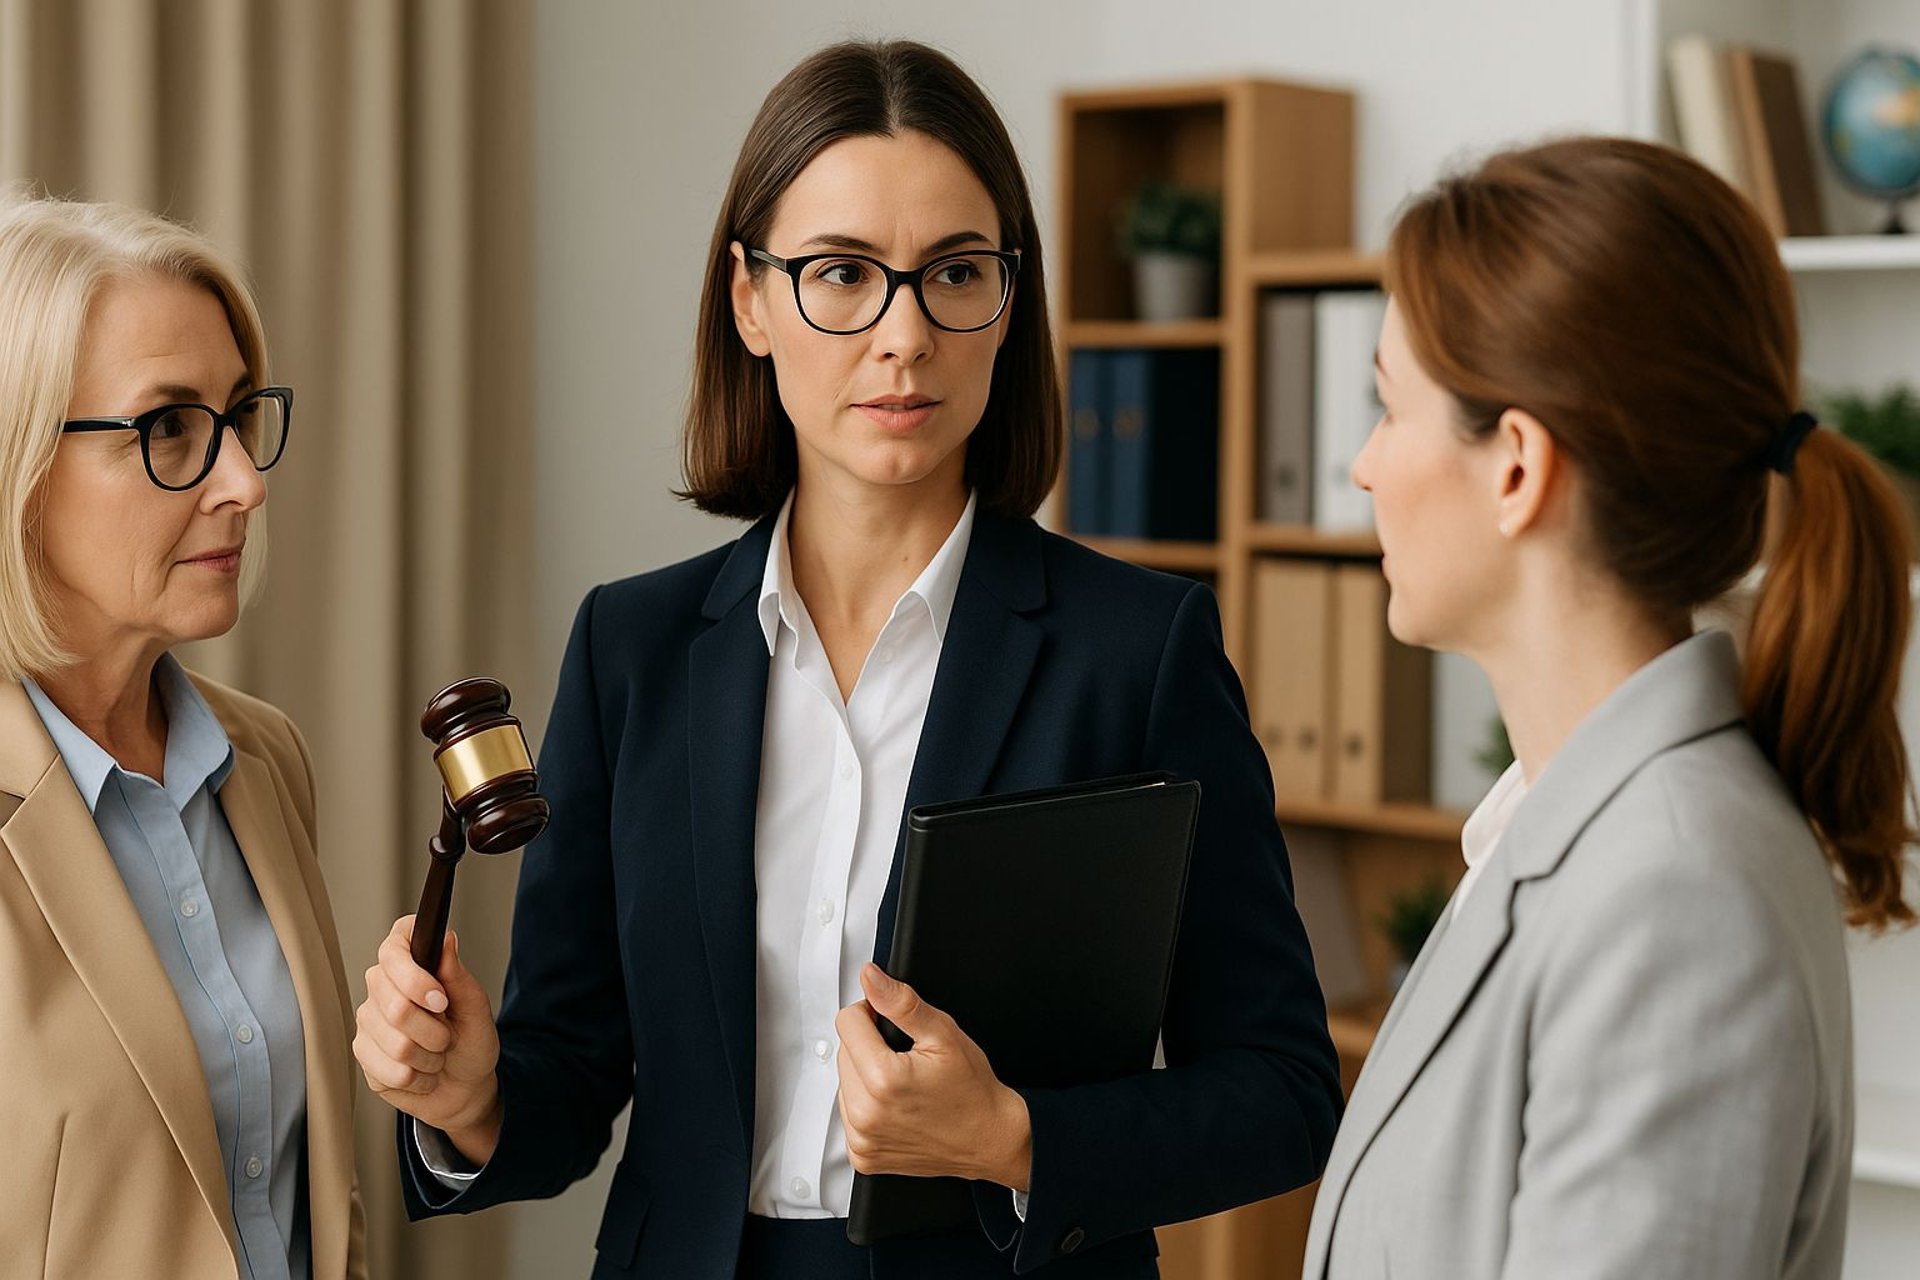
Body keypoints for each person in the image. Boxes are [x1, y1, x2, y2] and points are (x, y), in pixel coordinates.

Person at [351, 38, 1341, 1279]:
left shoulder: (1137, 652)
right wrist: (469, 1097)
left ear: (1009, 298)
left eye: (955, 273)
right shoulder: (633, 647)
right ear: (750, 299)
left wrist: (1017, 1136)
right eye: (841, 274)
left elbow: (1285, 1088)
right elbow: (569, 1076)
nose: (904, 333)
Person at [1302, 135, 1914, 1279]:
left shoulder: (1673, 892)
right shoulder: (1566, 822)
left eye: (1389, 411)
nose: (1363, 469)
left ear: (1518, 468)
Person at [0, 195, 367, 1278]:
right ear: (18, 462)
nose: (246, 484)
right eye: (167, 428)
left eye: (240, 417)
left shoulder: (265, 759)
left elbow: (311, 1194)